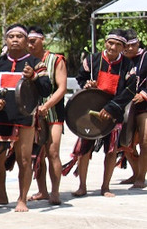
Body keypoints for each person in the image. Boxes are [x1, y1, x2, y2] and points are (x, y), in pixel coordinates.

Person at [0, 24, 52, 212]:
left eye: (19, 36)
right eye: (11, 36)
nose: (14, 39)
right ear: (6, 40)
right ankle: (2, 195)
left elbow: (47, 88)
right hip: (1, 117)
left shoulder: (36, 63)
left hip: (24, 118)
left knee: (25, 159)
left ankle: (22, 199)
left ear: (26, 40)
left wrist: (34, 77)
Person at [64, 30, 136, 198]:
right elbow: (80, 78)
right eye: (111, 43)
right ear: (105, 43)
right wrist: (86, 85)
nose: (113, 47)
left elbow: (130, 90)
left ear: (123, 48)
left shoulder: (128, 66)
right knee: (84, 149)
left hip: (113, 112)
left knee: (111, 151)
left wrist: (111, 108)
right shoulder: (91, 60)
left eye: (118, 45)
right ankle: (82, 186)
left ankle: (105, 186)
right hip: (89, 110)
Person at [27, 26, 68, 205]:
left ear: (42, 40)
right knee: (36, 154)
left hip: (53, 112)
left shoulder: (55, 60)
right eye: (27, 41)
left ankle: (55, 192)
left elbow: (62, 88)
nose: (30, 44)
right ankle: (42, 190)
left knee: (52, 151)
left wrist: (47, 105)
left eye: (33, 40)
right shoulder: (26, 61)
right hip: (32, 112)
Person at [118, 30, 146, 188]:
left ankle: (141, 177)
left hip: (144, 105)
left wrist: (144, 94)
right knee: (124, 142)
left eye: (132, 45)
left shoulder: (145, 57)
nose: (129, 49)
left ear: (138, 44)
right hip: (124, 104)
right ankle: (136, 173)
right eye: (126, 46)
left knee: (145, 141)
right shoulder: (119, 60)